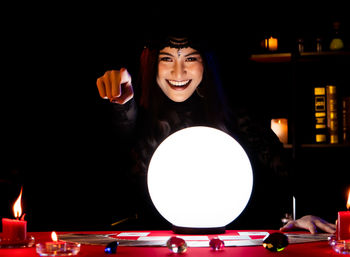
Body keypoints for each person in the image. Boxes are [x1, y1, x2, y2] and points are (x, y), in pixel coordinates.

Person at [96, 32, 336, 234]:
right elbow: (116, 150)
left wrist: (309, 214)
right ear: (152, 64)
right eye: (167, 59)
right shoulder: (138, 119)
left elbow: (291, 174)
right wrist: (122, 103)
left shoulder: (235, 119)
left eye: (190, 58)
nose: (178, 73)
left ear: (205, 64)